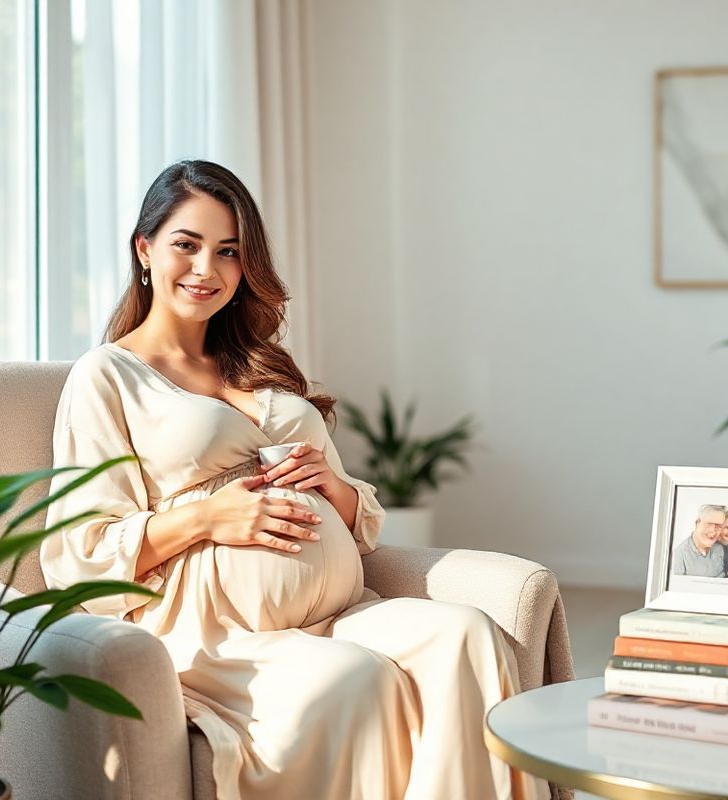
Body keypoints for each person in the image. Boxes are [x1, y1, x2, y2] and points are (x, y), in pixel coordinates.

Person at [41, 160, 528, 800]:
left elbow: (362, 525)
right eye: (186, 245)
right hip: (215, 637)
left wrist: (336, 487)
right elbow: (79, 554)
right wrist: (206, 518)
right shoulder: (109, 375)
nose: (205, 270)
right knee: (357, 680)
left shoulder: (260, 364)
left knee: (469, 635)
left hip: (338, 612)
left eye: (228, 253)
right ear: (145, 249)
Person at [671, 504, 727, 577]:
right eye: (709, 524)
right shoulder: (679, 554)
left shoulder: (719, 549)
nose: (713, 530)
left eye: (718, 526)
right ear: (697, 523)